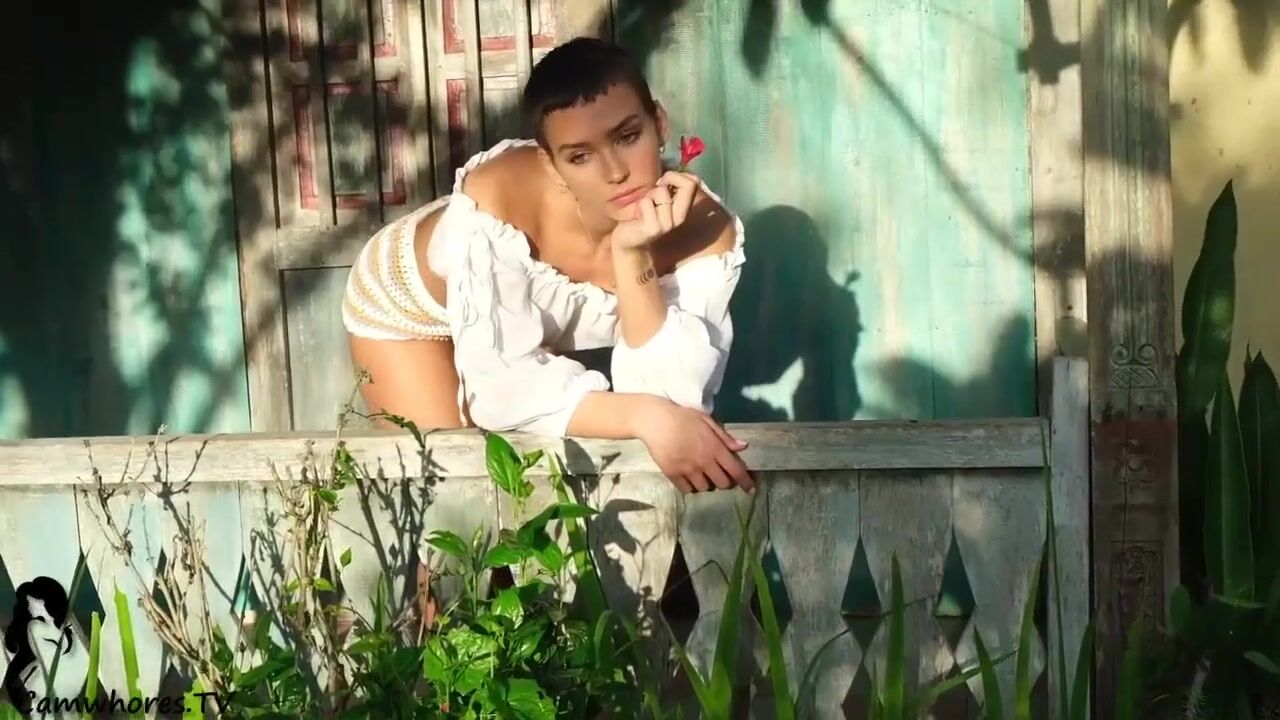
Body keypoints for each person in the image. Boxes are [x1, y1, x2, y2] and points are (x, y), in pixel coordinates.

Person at [342, 37, 752, 494]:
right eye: (580, 156)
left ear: (658, 123)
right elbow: (500, 391)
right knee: (455, 498)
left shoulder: (705, 229)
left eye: (627, 137)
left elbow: (673, 396)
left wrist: (631, 252)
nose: (615, 172)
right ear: (552, 164)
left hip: (520, 322)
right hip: (407, 306)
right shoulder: (497, 196)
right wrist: (644, 415)